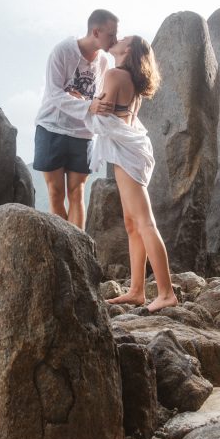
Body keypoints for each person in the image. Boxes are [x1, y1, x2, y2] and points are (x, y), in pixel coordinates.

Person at [88, 35, 178, 312]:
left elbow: (100, 117)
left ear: (127, 50)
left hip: (127, 153)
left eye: (122, 38)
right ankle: (137, 290)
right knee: (131, 223)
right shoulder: (131, 81)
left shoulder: (115, 75)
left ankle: (166, 292)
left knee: (144, 222)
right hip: (129, 151)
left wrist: (89, 105)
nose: (117, 38)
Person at [33, 9, 118, 229]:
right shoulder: (62, 51)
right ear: (96, 32)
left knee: (77, 192)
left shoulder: (103, 63)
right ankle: (62, 245)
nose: (115, 40)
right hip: (51, 127)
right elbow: (54, 93)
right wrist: (88, 104)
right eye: (111, 35)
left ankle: (77, 248)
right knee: (55, 192)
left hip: (83, 132)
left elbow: (98, 98)